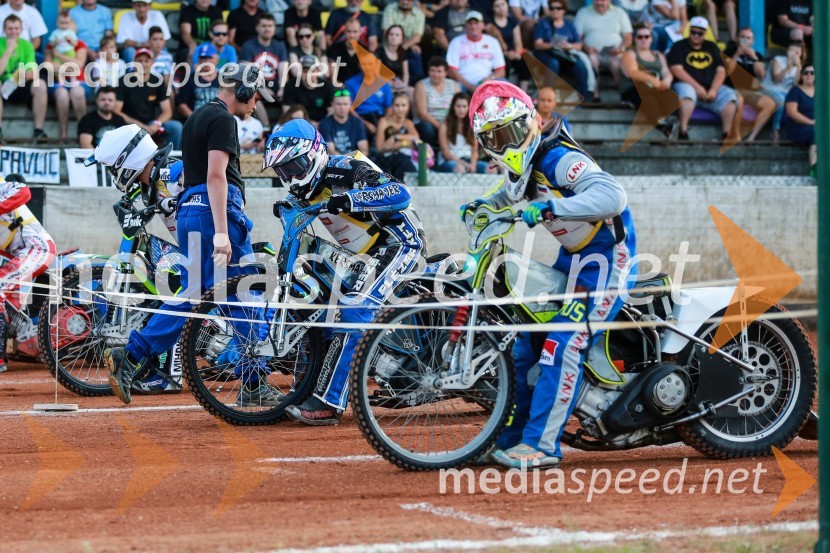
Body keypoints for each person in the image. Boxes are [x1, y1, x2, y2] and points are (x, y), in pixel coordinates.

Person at [462, 80, 636, 468]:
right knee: (525, 346)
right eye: (495, 138)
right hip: (573, 259)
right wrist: (482, 205)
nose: (506, 145)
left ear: (531, 123)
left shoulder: (557, 157)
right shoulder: (522, 170)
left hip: (608, 259)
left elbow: (613, 196)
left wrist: (554, 207)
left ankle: (542, 445)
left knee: (562, 343)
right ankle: (508, 440)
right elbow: (507, 196)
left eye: (511, 133)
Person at [102, 63, 278, 405]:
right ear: (243, 90)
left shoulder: (196, 116)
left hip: (190, 212)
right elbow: (216, 176)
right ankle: (254, 383)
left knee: (194, 294)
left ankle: (133, 354)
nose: (257, 102)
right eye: (256, 95)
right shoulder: (224, 119)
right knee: (242, 291)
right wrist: (223, 232)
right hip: (214, 213)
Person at [262, 119, 426, 425]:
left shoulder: (347, 169)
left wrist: (351, 199)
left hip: (399, 243)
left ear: (313, 155)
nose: (291, 176)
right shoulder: (303, 190)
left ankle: (330, 402)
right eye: (283, 171)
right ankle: (304, 390)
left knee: (355, 307)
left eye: (294, 166)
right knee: (319, 305)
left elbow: (400, 193)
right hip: (362, 256)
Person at [0, 175, 56, 374]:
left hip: (38, 248)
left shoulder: (2, 186)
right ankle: (23, 332)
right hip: (19, 255)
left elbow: (24, 190)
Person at [667, 16, 740, 141]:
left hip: (710, 87)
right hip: (686, 84)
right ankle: (683, 132)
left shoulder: (712, 47)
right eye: (693, 32)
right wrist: (697, 87)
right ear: (689, 30)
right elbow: (676, 69)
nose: (696, 35)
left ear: (705, 33)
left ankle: (726, 134)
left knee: (730, 96)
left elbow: (721, 70)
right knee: (687, 93)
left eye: (700, 33)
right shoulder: (679, 46)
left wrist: (714, 89)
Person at [114, 48, 183, 148]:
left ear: (152, 62)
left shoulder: (157, 81)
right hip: (129, 125)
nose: (143, 64)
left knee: (176, 127)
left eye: (146, 61)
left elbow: (167, 111)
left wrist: (156, 124)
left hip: (150, 124)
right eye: (140, 61)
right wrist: (139, 125)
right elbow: (116, 111)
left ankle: (171, 155)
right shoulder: (123, 81)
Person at [0, 15, 48, 143]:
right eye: (10, 28)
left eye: (16, 28)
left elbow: (33, 71)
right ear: (4, 30)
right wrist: (9, 50)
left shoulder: (27, 45)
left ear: (21, 30)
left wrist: (27, 75)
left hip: (21, 84)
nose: (13, 32)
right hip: (3, 85)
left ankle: (39, 131)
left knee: (40, 85)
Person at [723, 27, 777, 142]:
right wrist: (737, 55)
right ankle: (736, 135)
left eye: (748, 38)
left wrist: (754, 58)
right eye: (742, 37)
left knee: (771, 104)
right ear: (737, 38)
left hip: (749, 91)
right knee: (739, 100)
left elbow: (761, 75)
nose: (745, 40)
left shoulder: (757, 55)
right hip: (731, 89)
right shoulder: (728, 52)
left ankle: (751, 138)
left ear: (752, 41)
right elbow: (727, 72)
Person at [574, 0, 632, 101]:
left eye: (603, 0)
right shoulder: (583, 12)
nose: (600, 3)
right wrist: (586, 47)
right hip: (592, 53)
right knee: (592, 60)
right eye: (597, 0)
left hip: (615, 53)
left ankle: (622, 94)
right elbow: (577, 37)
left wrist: (621, 48)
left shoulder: (619, 12)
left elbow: (628, 37)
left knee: (616, 64)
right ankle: (595, 95)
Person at [534, 0, 590, 99]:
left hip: (564, 55)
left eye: (558, 8)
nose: (555, 10)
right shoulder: (543, 23)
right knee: (553, 63)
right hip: (547, 54)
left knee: (580, 65)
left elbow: (579, 45)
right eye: (552, 8)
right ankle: (547, 97)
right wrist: (552, 45)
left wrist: (569, 46)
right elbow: (537, 45)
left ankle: (583, 97)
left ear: (564, 10)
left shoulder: (569, 24)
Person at [46, 11, 89, 141]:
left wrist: (57, 56)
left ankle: (84, 132)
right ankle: (63, 133)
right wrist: (69, 66)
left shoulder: (80, 44)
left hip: (79, 82)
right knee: (62, 94)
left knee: (77, 92)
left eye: (68, 25)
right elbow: (48, 65)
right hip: (58, 81)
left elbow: (79, 65)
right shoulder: (52, 43)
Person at [240, 14, 288, 128]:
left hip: (276, 86)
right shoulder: (248, 46)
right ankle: (266, 127)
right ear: (257, 28)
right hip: (257, 85)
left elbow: (283, 69)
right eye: (264, 26)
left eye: (270, 26)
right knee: (252, 94)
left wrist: (282, 88)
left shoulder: (280, 45)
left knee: (292, 92)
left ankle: (280, 127)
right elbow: (247, 73)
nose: (267, 29)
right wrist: (263, 89)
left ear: (274, 28)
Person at [446, 11, 506, 93]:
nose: (473, 26)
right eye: (470, 23)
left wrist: (489, 79)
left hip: (487, 82)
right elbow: (451, 70)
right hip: (463, 84)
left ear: (483, 25)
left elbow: (501, 71)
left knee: (504, 85)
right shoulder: (456, 42)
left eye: (476, 23)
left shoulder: (492, 41)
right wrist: (470, 86)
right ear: (465, 26)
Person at [762, 41, 803, 144]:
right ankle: (775, 130)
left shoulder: (798, 66)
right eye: (792, 51)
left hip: (785, 93)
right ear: (787, 51)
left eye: (797, 52)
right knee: (781, 101)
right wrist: (788, 67)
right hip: (769, 89)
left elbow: (795, 84)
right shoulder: (778, 60)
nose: (794, 54)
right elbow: (776, 80)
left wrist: (798, 68)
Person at [414, 57, 459, 146]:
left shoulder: (453, 85)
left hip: (449, 121)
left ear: (446, 73)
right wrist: (440, 127)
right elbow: (422, 113)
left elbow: (460, 104)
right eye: (432, 71)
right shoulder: (421, 85)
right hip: (430, 122)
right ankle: (428, 152)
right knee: (427, 129)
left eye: (439, 71)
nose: (435, 74)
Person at [345, 55, 394, 136]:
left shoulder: (383, 83)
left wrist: (383, 124)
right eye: (364, 64)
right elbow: (349, 108)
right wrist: (365, 123)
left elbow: (389, 107)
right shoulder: (350, 83)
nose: (367, 67)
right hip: (359, 117)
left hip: (380, 116)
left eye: (370, 64)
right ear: (359, 65)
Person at [438, 92, 486, 173]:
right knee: (460, 169)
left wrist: (473, 165)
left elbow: (474, 150)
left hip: (469, 160)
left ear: (469, 108)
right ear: (453, 107)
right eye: (458, 106)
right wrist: (464, 164)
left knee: (490, 169)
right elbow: (446, 153)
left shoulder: (472, 125)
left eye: (464, 106)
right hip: (450, 161)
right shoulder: (445, 126)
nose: (461, 110)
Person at [376, 92, 419, 179]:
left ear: (408, 107)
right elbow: (380, 148)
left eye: (403, 105)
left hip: (405, 159)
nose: (400, 109)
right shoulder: (384, 121)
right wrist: (405, 143)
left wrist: (395, 137)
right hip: (387, 159)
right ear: (392, 106)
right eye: (397, 105)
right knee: (401, 158)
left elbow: (416, 137)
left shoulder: (408, 123)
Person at [782, 63, 815, 173]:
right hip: (798, 126)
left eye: (812, 73)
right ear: (801, 75)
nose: (809, 75)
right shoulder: (795, 91)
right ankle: (815, 168)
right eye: (806, 73)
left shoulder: (822, 91)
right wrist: (811, 122)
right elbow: (792, 113)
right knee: (816, 133)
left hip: (816, 126)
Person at [488, 0, 529, 88]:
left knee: (524, 60)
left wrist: (517, 53)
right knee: (503, 62)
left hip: (513, 52)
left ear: (507, 5)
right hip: (498, 54)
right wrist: (506, 54)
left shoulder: (512, 21)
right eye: (497, 6)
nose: (501, 8)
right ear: (492, 9)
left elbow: (518, 42)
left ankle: (523, 90)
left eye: (503, 4)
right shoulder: (490, 24)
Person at [282, 55, 333, 123]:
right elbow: (287, 110)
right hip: (298, 123)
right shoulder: (290, 85)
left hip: (322, 124)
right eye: (305, 71)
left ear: (318, 71)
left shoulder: (326, 86)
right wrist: (308, 124)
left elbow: (331, 110)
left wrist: (321, 124)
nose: (308, 75)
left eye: (312, 71)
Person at [319, 88, 370, 155]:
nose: (342, 108)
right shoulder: (325, 124)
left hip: (355, 159)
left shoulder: (357, 122)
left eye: (345, 104)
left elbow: (364, 150)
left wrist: (354, 160)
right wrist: (348, 160)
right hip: (335, 160)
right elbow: (331, 151)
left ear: (350, 105)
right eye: (338, 104)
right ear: (332, 104)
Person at [177, 44, 221, 119]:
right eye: (203, 58)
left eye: (210, 58)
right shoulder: (189, 79)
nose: (207, 61)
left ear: (217, 59)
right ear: (199, 60)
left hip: (219, 121)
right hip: (195, 120)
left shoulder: (225, 80)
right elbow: (181, 104)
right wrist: (196, 119)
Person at [326, 18, 362, 84]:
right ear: (344, 32)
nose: (352, 35)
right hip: (340, 88)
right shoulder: (334, 49)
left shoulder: (366, 51)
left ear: (360, 32)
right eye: (349, 31)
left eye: (355, 32)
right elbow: (333, 79)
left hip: (358, 88)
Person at [376, 25, 411, 93]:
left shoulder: (403, 53)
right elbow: (376, 74)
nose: (393, 37)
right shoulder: (380, 52)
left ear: (402, 39)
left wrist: (404, 85)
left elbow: (406, 74)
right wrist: (391, 83)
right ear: (387, 36)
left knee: (412, 91)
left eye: (397, 35)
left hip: (399, 85)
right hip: (382, 86)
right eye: (391, 34)